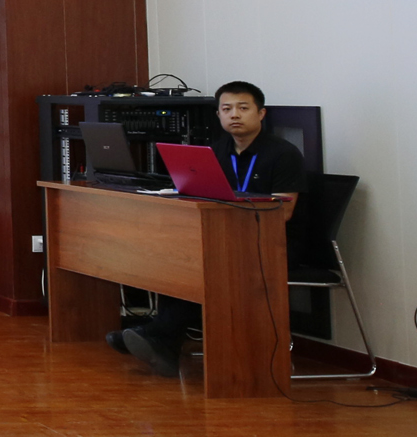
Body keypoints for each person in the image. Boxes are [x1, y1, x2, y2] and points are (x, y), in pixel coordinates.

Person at [111, 80, 302, 377]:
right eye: (226, 109)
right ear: (218, 115)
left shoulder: (283, 153)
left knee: (203, 264)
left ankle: (159, 337)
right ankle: (163, 340)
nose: (234, 115)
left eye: (243, 108)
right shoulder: (216, 150)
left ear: (261, 113)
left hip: (271, 244)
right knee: (177, 259)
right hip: (223, 238)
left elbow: (284, 212)